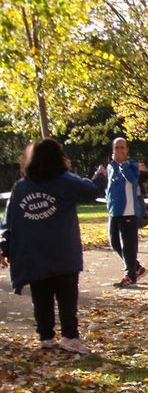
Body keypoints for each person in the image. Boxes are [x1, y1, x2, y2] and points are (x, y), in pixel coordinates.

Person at [0, 139, 107, 353]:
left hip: (34, 254)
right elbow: (92, 190)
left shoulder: (21, 187)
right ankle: (69, 336)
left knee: (42, 298)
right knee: (67, 297)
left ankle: (46, 336)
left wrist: (5, 247)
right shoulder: (65, 181)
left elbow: (9, 221)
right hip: (63, 251)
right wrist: (101, 176)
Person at [106, 138, 147, 288]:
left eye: (122, 147)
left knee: (129, 245)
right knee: (114, 242)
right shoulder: (110, 167)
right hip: (114, 211)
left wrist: (124, 166)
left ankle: (130, 275)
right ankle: (136, 268)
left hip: (128, 211)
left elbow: (132, 179)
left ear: (127, 149)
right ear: (113, 150)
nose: (120, 150)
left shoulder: (132, 166)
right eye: (117, 148)